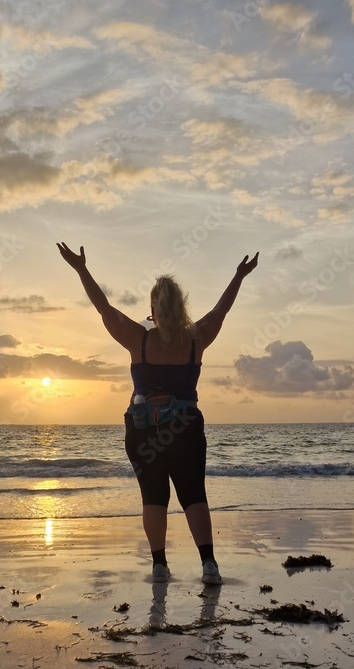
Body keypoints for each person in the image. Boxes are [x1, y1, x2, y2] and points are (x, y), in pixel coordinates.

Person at [57, 241, 258, 584]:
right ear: (182, 307)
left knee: (154, 498)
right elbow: (221, 311)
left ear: (153, 307)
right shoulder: (197, 338)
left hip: (143, 428)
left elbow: (104, 308)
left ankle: (160, 566)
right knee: (193, 494)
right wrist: (239, 276)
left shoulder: (139, 339)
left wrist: (81, 269)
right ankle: (209, 566)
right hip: (186, 427)